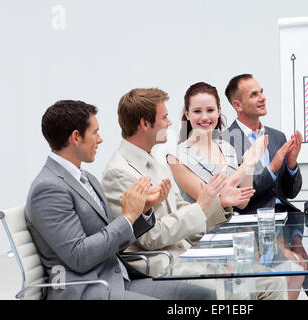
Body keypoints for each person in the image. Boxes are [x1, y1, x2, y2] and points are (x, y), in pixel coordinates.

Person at [25, 100, 215, 300]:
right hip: (90, 291)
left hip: (118, 279)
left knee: (205, 296)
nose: (100, 140)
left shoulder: (87, 178)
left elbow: (114, 240)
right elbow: (79, 257)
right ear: (75, 137)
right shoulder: (48, 188)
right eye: (95, 132)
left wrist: (142, 211)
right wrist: (127, 216)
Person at [101, 88, 242, 277]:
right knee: (243, 287)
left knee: (269, 282)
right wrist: (200, 206)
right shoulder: (119, 173)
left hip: (186, 256)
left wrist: (219, 203)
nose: (170, 123)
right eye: (164, 117)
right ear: (144, 123)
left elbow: (182, 210)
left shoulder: (156, 161)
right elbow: (151, 238)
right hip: (164, 266)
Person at [222, 74, 308, 300]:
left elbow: (290, 192)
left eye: (261, 92)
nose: (262, 98)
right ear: (237, 105)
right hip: (252, 222)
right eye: (254, 94)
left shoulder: (276, 136)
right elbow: (243, 195)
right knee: (288, 270)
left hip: (287, 219)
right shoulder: (227, 141)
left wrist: (290, 164)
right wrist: (272, 167)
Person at [167, 82, 265, 211]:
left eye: (210, 110)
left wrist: (251, 164)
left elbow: (241, 203)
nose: (204, 117)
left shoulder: (226, 148)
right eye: (197, 111)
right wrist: (246, 165)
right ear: (187, 114)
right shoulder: (176, 157)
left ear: (218, 111)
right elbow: (210, 200)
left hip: (232, 228)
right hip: (199, 230)